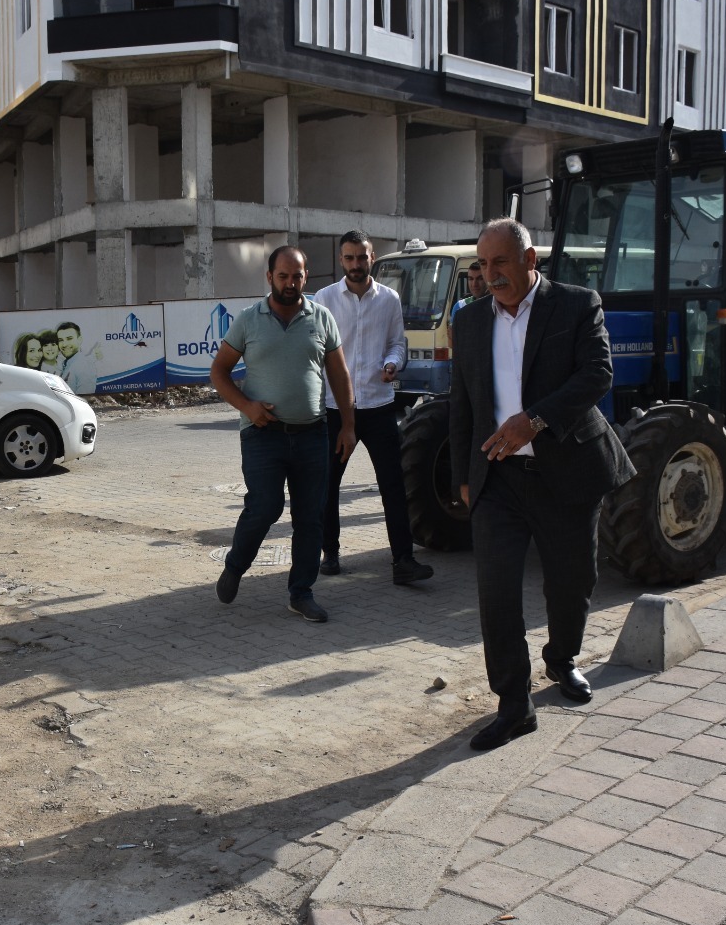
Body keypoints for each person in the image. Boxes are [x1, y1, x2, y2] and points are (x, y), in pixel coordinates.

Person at [449, 218, 635, 751]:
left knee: (571, 580)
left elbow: (597, 375)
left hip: (567, 470)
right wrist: (463, 476)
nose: (490, 275)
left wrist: (534, 420)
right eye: (482, 265)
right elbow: (463, 403)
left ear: (530, 260)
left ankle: (563, 659)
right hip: (498, 479)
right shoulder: (470, 321)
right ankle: (513, 705)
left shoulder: (576, 304)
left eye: (500, 263)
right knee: (497, 593)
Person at [210, 246, 357, 623]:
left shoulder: (321, 317)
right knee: (266, 506)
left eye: (297, 276)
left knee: (310, 516)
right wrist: (247, 407)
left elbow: (339, 376)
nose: (290, 283)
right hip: (264, 434)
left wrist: (349, 426)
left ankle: (301, 592)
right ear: (270, 277)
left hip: (312, 435)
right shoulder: (248, 320)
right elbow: (219, 373)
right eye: (283, 276)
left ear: (306, 277)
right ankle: (236, 564)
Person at [315, 231, 434, 586]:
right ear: (340, 260)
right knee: (328, 485)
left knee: (393, 485)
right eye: (349, 258)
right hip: (337, 409)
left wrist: (393, 364)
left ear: (372, 257)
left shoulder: (389, 299)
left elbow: (399, 343)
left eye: (361, 258)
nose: (355, 265)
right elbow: (316, 350)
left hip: (380, 407)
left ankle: (403, 560)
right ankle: (330, 553)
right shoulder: (324, 300)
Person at [58, 322, 99, 394]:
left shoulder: (84, 365)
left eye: (69, 339)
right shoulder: (68, 363)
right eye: (61, 340)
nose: (64, 344)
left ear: (79, 340)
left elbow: (85, 396)